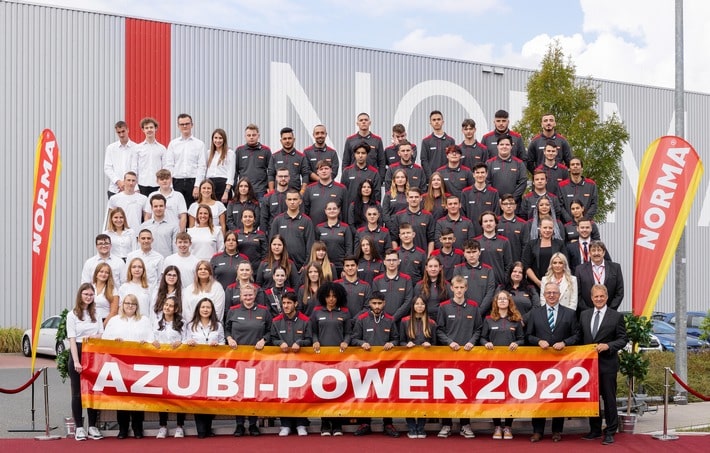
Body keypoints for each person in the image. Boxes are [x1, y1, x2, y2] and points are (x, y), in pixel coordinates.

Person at [526, 282, 580, 443]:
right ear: (544, 295)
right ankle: (537, 431)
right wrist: (538, 341)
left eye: (554, 293)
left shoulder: (570, 313)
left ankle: (557, 430)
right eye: (548, 292)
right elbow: (528, 336)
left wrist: (565, 342)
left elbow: (577, 335)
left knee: (558, 396)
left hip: (561, 363)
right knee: (538, 396)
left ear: (559, 295)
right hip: (539, 363)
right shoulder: (535, 313)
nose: (551, 295)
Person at [580, 284, 628, 445]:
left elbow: (623, 339)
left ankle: (610, 431)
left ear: (606, 297)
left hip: (608, 365)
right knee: (592, 399)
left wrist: (608, 346)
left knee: (609, 399)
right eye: (596, 296)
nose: (599, 299)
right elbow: (579, 337)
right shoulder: (584, 315)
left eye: (601, 296)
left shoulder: (616, 316)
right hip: (589, 367)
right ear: (591, 298)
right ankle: (594, 430)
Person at [436, 275, 482, 439]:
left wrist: (471, 342)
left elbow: (478, 329)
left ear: (466, 288)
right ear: (452, 288)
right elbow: (439, 330)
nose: (459, 290)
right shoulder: (443, 307)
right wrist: (449, 342)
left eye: (462, 287)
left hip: (467, 356)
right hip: (449, 355)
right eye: (456, 287)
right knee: (447, 391)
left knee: (466, 391)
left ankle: (465, 424)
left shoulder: (474, 307)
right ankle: (446, 424)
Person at [103, 293, 154, 439]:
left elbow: (151, 339)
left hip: (139, 365)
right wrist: (114, 341)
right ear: (122, 305)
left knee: (138, 397)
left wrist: (146, 343)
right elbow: (105, 340)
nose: (130, 306)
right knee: (122, 397)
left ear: (137, 306)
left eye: (133, 304)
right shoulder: (114, 321)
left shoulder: (144, 320)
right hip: (119, 365)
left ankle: (138, 428)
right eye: (127, 303)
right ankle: (123, 429)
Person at [225, 283, 272, 437]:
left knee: (253, 391)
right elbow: (226, 329)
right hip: (237, 359)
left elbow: (270, 331)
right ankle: (239, 424)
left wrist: (264, 340)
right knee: (238, 391)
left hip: (257, 359)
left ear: (255, 295)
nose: (248, 297)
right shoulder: (233, 311)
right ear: (240, 296)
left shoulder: (264, 311)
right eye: (245, 295)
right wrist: (229, 338)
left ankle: (253, 424)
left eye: (250, 294)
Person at [351, 294, 400, 438]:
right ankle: (365, 423)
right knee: (365, 392)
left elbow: (396, 339)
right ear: (369, 303)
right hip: (365, 364)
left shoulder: (390, 320)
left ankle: (388, 423)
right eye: (374, 303)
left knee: (386, 393)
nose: (377, 306)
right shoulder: (361, 319)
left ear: (384, 303)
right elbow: (354, 339)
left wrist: (392, 343)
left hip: (386, 364)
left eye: (379, 303)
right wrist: (361, 343)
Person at [480, 291, 524, 439]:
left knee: (510, 395)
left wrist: (517, 343)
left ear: (509, 302)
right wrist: (486, 343)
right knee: (495, 396)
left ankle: (508, 427)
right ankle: (497, 426)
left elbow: (522, 339)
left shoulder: (516, 320)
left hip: (511, 365)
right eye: (500, 299)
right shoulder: (488, 320)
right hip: (493, 365)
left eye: (505, 299)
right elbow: (482, 338)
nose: (503, 301)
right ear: (496, 302)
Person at [310, 281, 351, 436]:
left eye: (334, 296)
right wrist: (315, 341)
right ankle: (325, 423)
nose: (331, 299)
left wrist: (346, 342)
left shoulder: (344, 312)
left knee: (338, 390)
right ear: (323, 297)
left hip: (340, 358)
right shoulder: (316, 312)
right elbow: (313, 332)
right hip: (321, 358)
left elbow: (348, 333)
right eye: (328, 296)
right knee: (323, 391)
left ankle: (337, 424)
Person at [270, 291, 312, 436]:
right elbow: (272, 339)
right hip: (282, 365)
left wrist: (300, 343)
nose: (286, 306)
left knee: (301, 393)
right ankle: (285, 424)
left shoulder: (305, 320)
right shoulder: (276, 321)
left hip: (302, 364)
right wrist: (279, 342)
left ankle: (301, 423)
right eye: (284, 303)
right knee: (284, 393)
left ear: (296, 304)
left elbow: (310, 339)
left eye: (289, 303)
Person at [67, 283, 104, 441]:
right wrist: (76, 361)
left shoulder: (96, 313)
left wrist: (94, 337)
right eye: (86, 294)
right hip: (78, 351)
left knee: (92, 391)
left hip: (93, 354)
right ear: (80, 295)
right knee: (77, 392)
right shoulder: (72, 315)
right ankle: (79, 427)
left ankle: (93, 426)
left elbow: (102, 334)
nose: (88, 297)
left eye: (91, 294)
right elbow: (72, 339)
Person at [184, 298, 224, 438]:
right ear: (198, 309)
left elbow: (223, 342)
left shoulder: (218, 325)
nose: (205, 310)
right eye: (203, 307)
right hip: (197, 366)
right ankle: (201, 429)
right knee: (198, 397)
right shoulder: (190, 325)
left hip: (213, 366)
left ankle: (208, 427)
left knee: (210, 396)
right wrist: (189, 342)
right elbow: (184, 341)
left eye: (208, 307)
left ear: (212, 310)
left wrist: (217, 345)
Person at [399, 296, 437, 438]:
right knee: (408, 396)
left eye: (422, 304)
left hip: (426, 364)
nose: (419, 306)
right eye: (417, 304)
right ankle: (411, 426)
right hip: (408, 364)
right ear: (413, 306)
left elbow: (436, 344)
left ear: (426, 306)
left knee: (423, 396)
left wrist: (430, 345)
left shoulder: (431, 323)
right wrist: (406, 344)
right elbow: (400, 341)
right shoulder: (404, 321)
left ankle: (421, 427)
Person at [151, 296, 186, 438]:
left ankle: (179, 426)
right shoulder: (156, 322)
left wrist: (181, 343)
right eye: (166, 304)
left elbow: (187, 339)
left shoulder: (182, 323)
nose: (167, 307)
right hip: (161, 364)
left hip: (178, 363)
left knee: (179, 394)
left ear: (176, 309)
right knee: (163, 395)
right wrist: (153, 342)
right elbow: (151, 338)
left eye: (171, 306)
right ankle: (163, 426)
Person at [165, 113, 206, 207]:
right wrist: (170, 186)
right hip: (176, 182)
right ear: (178, 126)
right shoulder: (173, 144)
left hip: (193, 182)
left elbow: (202, 166)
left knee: (192, 210)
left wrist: (197, 186)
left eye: (187, 123)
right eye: (182, 124)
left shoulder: (199, 144)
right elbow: (169, 165)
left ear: (192, 125)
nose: (184, 126)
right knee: (176, 209)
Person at [270, 189, 315, 270]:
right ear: (286, 201)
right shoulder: (278, 220)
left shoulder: (307, 221)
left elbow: (310, 245)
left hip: (301, 266)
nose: (292, 202)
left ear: (300, 201)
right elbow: (271, 243)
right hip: (280, 265)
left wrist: (306, 265)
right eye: (289, 199)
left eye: (295, 199)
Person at [575, 241, 624, 312]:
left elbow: (619, 292)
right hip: (587, 313)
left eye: (599, 250)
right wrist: (588, 312)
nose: (596, 253)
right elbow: (577, 294)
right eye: (593, 250)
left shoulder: (615, 268)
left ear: (604, 252)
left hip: (610, 312)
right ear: (589, 253)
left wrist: (609, 311)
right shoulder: (580, 269)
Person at [522, 216, 568, 289]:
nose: (547, 230)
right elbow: (526, 265)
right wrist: (538, 282)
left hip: (556, 284)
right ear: (540, 228)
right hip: (535, 284)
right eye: (545, 227)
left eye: (550, 228)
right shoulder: (531, 244)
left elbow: (564, 263)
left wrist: (555, 281)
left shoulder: (560, 244)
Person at [452, 239, 495, 316]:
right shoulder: (458, 269)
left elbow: (490, 292)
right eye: (468, 252)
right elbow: (457, 291)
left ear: (479, 252)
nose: (471, 255)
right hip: (463, 313)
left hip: (484, 313)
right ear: (464, 253)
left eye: (474, 252)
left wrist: (480, 311)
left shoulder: (488, 270)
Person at [303, 160, 347, 229]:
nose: (324, 171)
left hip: (335, 230)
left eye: (326, 168)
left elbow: (345, 212)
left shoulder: (341, 188)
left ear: (331, 170)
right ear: (317, 172)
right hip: (314, 229)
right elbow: (305, 211)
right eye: (321, 169)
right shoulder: (309, 188)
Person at [371, 249, 413, 322]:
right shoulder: (377, 280)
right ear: (384, 262)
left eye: (394, 260)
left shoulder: (406, 279)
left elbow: (408, 301)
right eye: (388, 260)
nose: (391, 263)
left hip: (402, 321)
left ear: (398, 261)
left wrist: (394, 318)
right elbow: (375, 302)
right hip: (382, 321)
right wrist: (386, 318)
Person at [341, 112, 386, 180]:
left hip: (372, 178)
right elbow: (345, 161)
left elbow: (381, 162)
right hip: (354, 178)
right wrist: (346, 177)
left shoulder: (377, 140)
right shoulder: (350, 140)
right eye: (361, 120)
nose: (363, 122)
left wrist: (380, 179)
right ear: (357, 123)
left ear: (370, 123)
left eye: (366, 120)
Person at [486, 135, 527, 206]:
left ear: (511, 146)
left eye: (507, 144)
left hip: (514, 204)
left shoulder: (519, 163)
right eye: (501, 144)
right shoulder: (489, 163)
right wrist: (497, 199)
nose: (504, 146)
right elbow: (486, 182)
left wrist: (512, 200)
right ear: (497, 146)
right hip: (495, 204)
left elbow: (522, 183)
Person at [391, 188, 435, 255]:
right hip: (403, 257)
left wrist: (429, 257)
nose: (414, 199)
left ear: (421, 198)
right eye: (411, 197)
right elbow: (394, 239)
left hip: (422, 256)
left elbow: (431, 240)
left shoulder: (428, 216)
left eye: (416, 197)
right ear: (407, 199)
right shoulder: (399, 216)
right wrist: (396, 256)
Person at [461, 163, 500, 237]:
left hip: (488, 233)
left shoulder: (494, 192)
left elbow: (496, 214)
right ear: (473, 174)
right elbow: (463, 213)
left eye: (482, 172)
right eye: (477, 173)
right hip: (470, 233)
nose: (480, 175)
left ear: (486, 174)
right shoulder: (465, 192)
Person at [234, 123, 271, 199]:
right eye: (249, 135)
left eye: (254, 135)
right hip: (244, 191)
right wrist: (235, 188)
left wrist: (269, 188)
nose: (251, 137)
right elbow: (235, 172)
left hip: (261, 191)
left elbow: (271, 171)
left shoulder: (266, 150)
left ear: (258, 136)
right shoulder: (239, 151)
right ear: (245, 136)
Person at [267, 127, 310, 191]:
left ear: (294, 139)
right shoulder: (274, 156)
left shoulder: (301, 157)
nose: (287, 141)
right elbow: (271, 175)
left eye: (289, 138)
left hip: (295, 193)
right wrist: (271, 192)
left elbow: (305, 175)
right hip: (278, 193)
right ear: (281, 141)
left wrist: (302, 192)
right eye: (284, 139)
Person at [341, 142, 381, 209]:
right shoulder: (347, 171)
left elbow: (377, 194)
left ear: (367, 154)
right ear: (354, 154)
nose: (360, 155)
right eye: (358, 153)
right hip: (350, 209)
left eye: (363, 153)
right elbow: (342, 193)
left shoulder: (374, 172)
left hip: (368, 211)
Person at [476, 211, 513, 285]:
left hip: (499, 283)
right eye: (485, 221)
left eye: (491, 221)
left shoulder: (504, 241)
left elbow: (508, 264)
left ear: (496, 223)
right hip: (480, 283)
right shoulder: (476, 242)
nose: (488, 223)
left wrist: (505, 280)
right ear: (481, 224)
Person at [316, 201, 353, 275]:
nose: (332, 211)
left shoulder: (345, 227)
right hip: (324, 266)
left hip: (341, 266)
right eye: (329, 209)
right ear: (325, 211)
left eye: (334, 208)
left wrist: (346, 266)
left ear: (338, 210)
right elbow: (315, 247)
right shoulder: (319, 227)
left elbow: (349, 247)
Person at [107, 172, 148, 237]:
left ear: (136, 182)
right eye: (128, 180)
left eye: (133, 180)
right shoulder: (114, 198)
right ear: (124, 181)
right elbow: (110, 218)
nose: (131, 183)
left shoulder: (143, 198)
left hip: (137, 234)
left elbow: (146, 218)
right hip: (120, 234)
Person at [132, 117, 166, 196]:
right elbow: (134, 168)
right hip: (142, 186)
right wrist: (135, 187)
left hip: (158, 186)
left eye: (151, 127)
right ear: (143, 130)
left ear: (155, 128)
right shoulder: (137, 148)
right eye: (146, 128)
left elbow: (165, 168)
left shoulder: (162, 148)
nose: (149, 130)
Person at [558, 157, 598, 221]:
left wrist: (584, 220)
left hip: (586, 224)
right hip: (567, 224)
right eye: (572, 164)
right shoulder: (562, 185)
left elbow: (594, 205)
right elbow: (560, 206)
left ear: (582, 168)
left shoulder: (591, 184)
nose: (575, 166)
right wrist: (569, 221)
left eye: (578, 164)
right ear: (568, 168)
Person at [104, 120, 137, 199]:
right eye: (119, 132)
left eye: (123, 131)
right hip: (114, 189)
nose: (121, 134)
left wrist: (127, 183)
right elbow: (107, 168)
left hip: (132, 189)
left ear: (127, 130)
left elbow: (135, 168)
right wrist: (118, 182)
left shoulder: (136, 148)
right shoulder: (111, 148)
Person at [334, 255, 372, 322]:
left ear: (357, 267)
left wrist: (356, 319)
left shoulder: (366, 286)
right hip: (341, 322)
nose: (350, 268)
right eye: (347, 266)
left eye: (352, 265)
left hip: (360, 323)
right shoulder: (336, 285)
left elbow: (367, 307)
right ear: (343, 268)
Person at [420, 110, 456, 178]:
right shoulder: (426, 141)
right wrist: (431, 176)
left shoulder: (451, 141)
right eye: (434, 120)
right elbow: (424, 161)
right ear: (430, 123)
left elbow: (453, 160)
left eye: (439, 119)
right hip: (432, 178)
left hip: (447, 177)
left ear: (443, 122)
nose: (436, 122)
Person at [413, 255, 449, 319]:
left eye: (436, 266)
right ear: (426, 268)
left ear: (440, 268)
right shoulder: (419, 285)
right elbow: (415, 305)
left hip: (441, 319)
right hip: (424, 319)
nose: (433, 269)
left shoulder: (447, 285)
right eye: (430, 266)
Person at [205, 128, 235, 202]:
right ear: (212, 139)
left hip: (223, 185)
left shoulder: (230, 153)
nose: (218, 140)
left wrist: (226, 192)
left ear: (224, 139)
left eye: (220, 138)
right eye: (215, 138)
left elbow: (231, 174)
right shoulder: (208, 153)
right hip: (210, 185)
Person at [496, 194, 526, 262]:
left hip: (517, 261)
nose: (509, 206)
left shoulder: (523, 224)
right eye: (505, 204)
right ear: (501, 206)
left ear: (515, 206)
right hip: (499, 261)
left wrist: (522, 262)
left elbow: (525, 245)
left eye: (511, 203)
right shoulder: (495, 222)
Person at [260, 167, 290, 232]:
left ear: (289, 177)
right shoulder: (267, 197)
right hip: (273, 232)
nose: (283, 178)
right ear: (276, 178)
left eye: (285, 176)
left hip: (289, 232)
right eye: (280, 176)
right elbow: (263, 219)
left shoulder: (294, 196)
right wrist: (263, 236)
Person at [382, 168, 410, 232]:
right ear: (394, 180)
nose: (400, 179)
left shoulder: (410, 194)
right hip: (392, 228)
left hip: (407, 228)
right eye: (397, 177)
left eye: (402, 177)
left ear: (406, 179)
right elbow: (385, 214)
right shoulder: (388, 195)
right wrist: (392, 228)